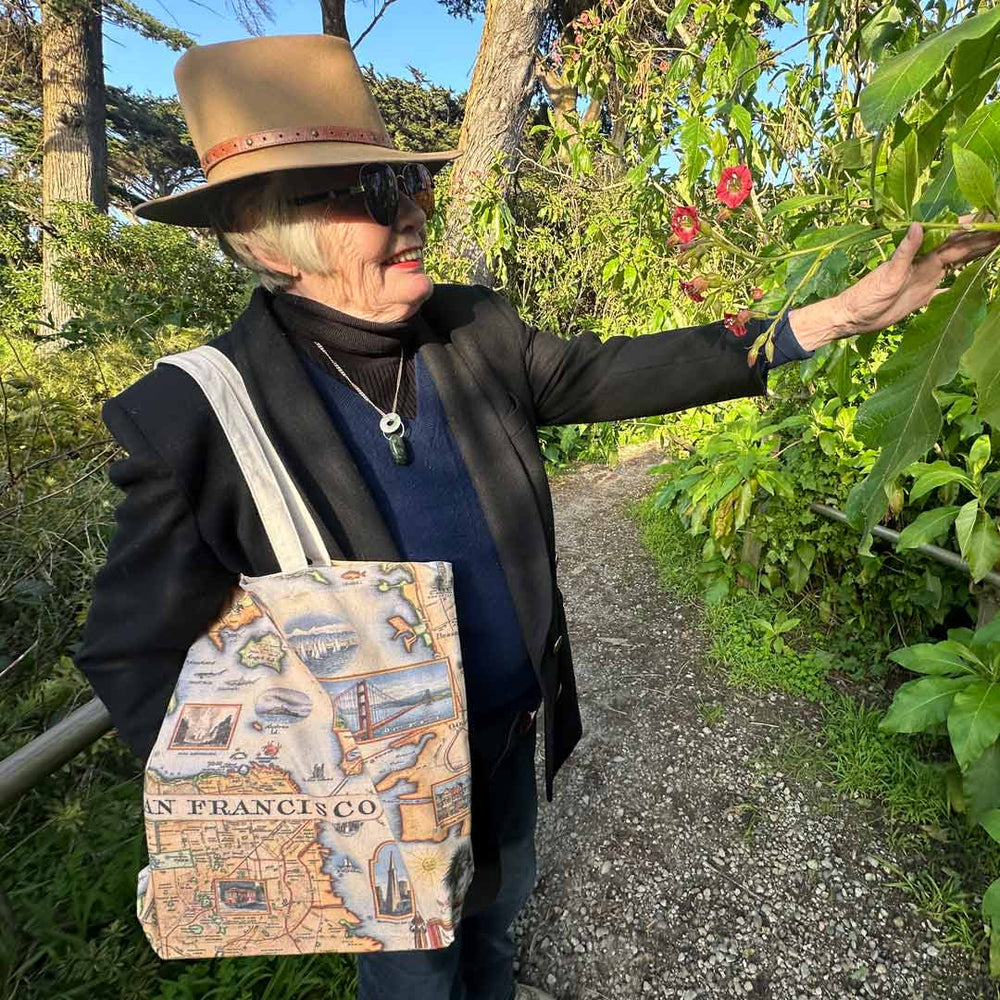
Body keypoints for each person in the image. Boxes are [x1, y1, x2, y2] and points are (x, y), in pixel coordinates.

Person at [73, 33, 1000, 1000]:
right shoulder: (196, 414)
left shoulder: (473, 331)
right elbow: (133, 652)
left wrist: (836, 317)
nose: (415, 211)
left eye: (411, 185)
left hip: (510, 739)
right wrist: (278, 811)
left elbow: (624, 370)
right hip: (376, 817)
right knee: (415, 979)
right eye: (376, 194)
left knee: (498, 929)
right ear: (271, 234)